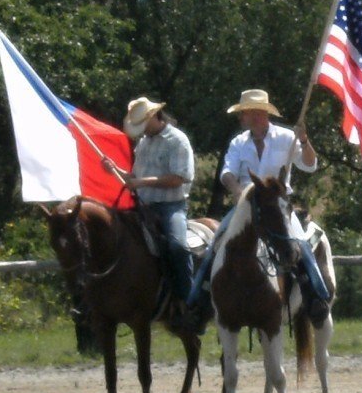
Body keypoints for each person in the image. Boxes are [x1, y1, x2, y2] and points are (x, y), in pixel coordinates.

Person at [189, 88, 327, 305]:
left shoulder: (286, 138)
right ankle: (198, 300)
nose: (245, 117)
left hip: (278, 208)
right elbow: (227, 173)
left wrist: (303, 140)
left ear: (262, 114)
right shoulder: (238, 142)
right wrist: (236, 189)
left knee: (301, 246)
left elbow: (310, 165)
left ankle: (316, 297)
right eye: (244, 113)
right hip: (246, 206)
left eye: (250, 112)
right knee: (215, 245)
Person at [101, 96, 197, 323]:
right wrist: (114, 170)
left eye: (143, 124)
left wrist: (141, 183)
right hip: (142, 206)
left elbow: (179, 178)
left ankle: (189, 301)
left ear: (155, 116)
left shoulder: (177, 140)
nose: (141, 130)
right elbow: (135, 177)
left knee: (178, 246)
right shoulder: (144, 143)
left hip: (170, 206)